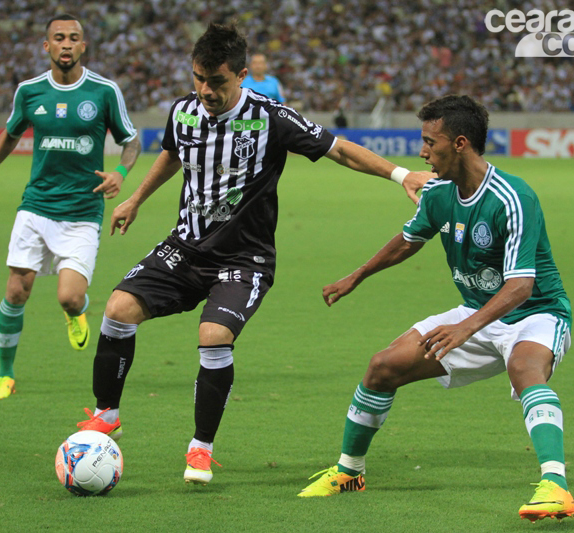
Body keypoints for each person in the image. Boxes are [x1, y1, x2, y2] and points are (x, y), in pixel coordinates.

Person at [75, 22, 432, 486]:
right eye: (199, 78)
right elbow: (172, 154)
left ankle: (201, 448)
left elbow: (338, 149)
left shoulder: (272, 117)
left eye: (217, 81)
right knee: (118, 310)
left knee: (213, 334)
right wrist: (137, 198)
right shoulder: (183, 110)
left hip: (245, 260)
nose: (206, 90)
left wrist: (400, 174)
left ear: (241, 75)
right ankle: (107, 414)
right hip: (186, 245)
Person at [297, 95, 574, 524]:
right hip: (477, 311)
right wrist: (357, 275)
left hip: (536, 312)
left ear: (460, 143)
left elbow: (522, 285)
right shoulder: (440, 191)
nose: (422, 152)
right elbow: (409, 239)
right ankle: (349, 472)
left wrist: (464, 328)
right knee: (382, 367)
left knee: (525, 370)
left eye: (430, 142)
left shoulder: (513, 197)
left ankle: (555, 486)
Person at [0, 13, 141, 400]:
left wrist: (121, 173)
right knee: (16, 291)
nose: (65, 44)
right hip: (36, 206)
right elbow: (9, 135)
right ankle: (5, 374)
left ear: (83, 46)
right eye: (58, 38)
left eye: (73, 38)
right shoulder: (29, 91)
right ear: (47, 46)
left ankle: (75, 312)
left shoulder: (103, 91)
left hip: (82, 211)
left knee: (69, 296)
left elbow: (132, 140)